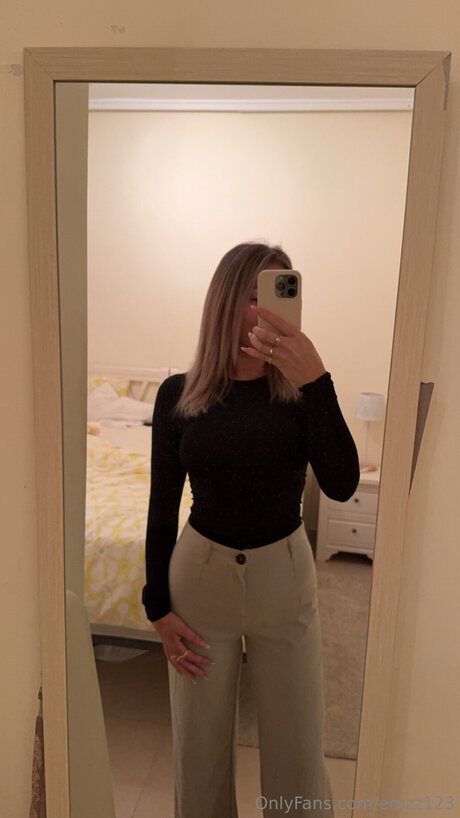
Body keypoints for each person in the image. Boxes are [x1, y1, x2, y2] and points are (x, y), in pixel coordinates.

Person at [141, 241, 360, 818]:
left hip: (284, 580)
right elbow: (161, 506)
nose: (268, 309)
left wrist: (317, 380)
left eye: (280, 293)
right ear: (226, 301)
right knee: (199, 750)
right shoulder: (178, 394)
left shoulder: (302, 394)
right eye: (256, 294)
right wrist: (156, 607)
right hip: (200, 582)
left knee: (298, 748)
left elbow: (342, 484)